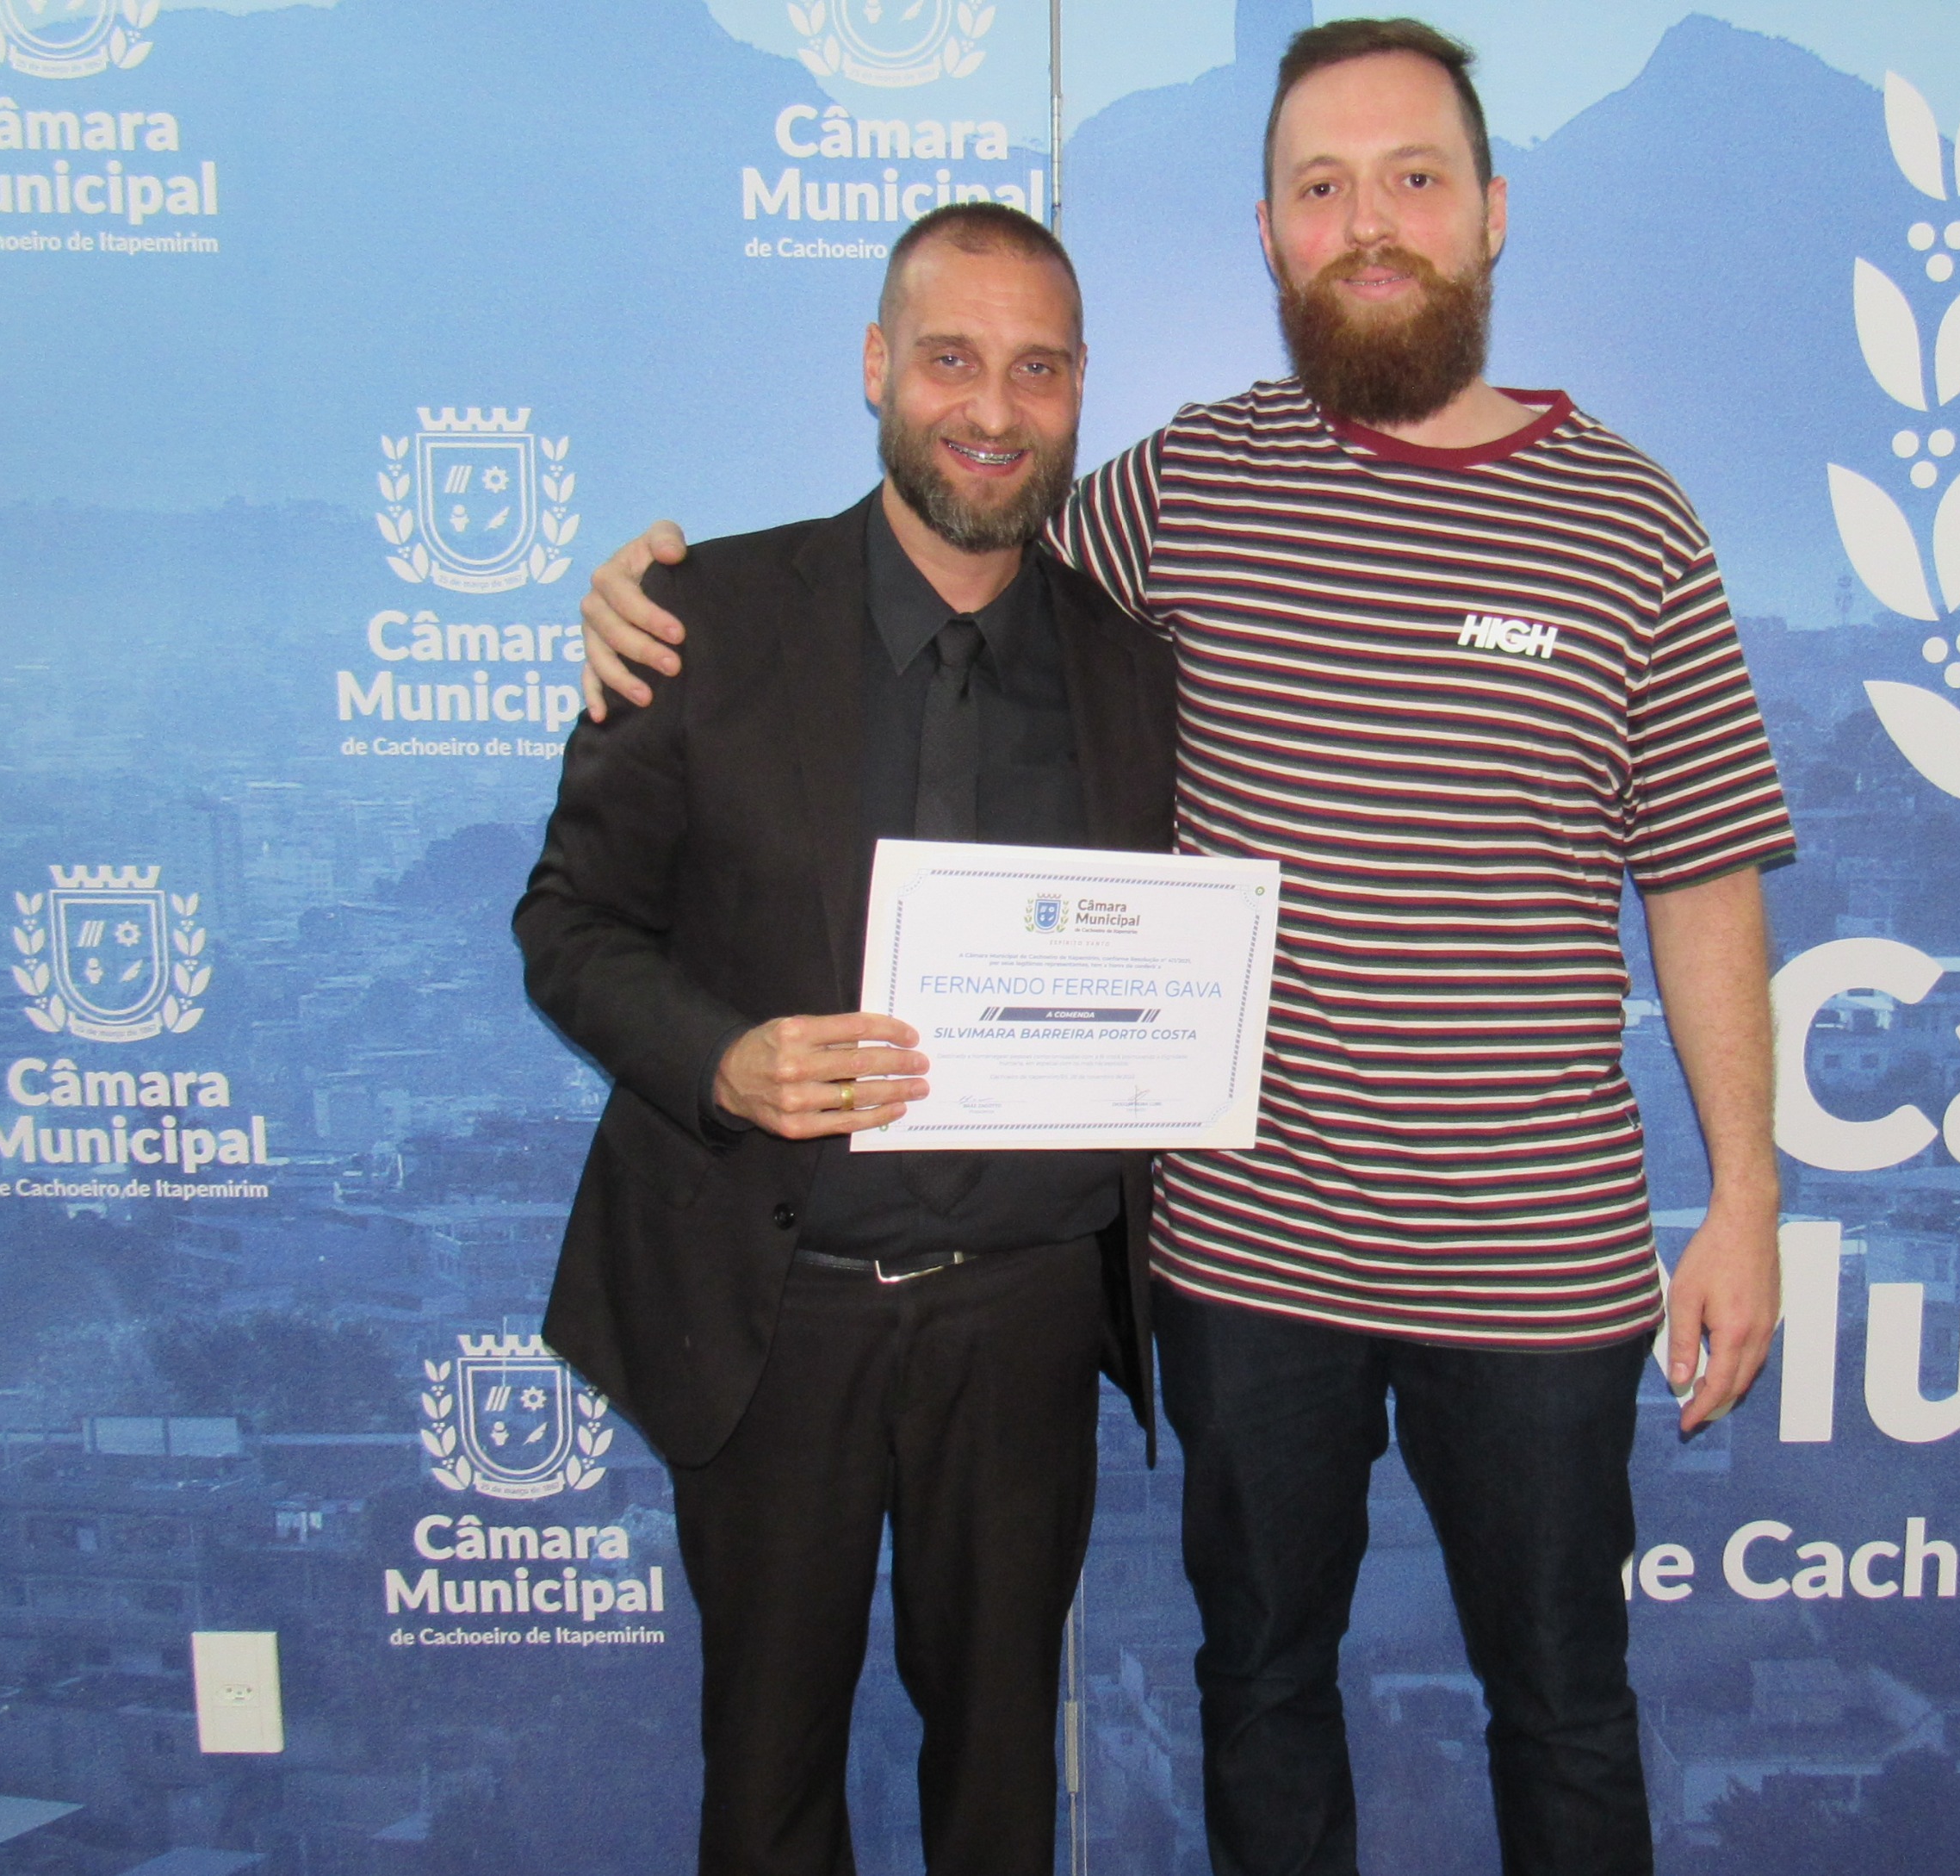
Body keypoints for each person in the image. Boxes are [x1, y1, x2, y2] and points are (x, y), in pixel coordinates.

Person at [576, 22, 1789, 1873]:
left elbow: (1701, 874)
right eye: (1320, 187)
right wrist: (653, 605)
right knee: (1260, 1685)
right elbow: (949, 549)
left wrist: (1747, 1196)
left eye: (1411, 180)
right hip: (1245, 1250)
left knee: (1564, 1702)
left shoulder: (1631, 521)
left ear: (1490, 214)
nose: (1366, 222)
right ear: (1268, 233)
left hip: (1536, 1254)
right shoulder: (1183, 488)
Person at [512, 202, 1179, 1875]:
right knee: (766, 1792)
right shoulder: (700, 621)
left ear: (1079, 391)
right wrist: (720, 1059)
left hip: (1027, 1323)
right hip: (772, 1311)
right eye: (951, 358)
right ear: (877, 367)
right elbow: (568, 927)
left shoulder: (1135, 672)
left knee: (1002, 1792)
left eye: (1038, 369)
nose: (993, 409)